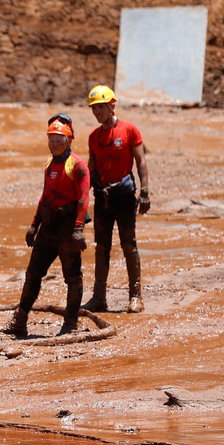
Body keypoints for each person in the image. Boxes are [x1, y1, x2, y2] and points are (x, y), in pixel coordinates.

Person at [4, 116, 89, 337]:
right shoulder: (50, 164)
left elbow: (83, 198)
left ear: (69, 140)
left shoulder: (78, 165)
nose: (54, 144)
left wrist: (78, 229)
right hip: (48, 227)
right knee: (33, 274)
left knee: (72, 277)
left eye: (59, 139)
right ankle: (20, 322)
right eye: (51, 139)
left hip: (68, 228)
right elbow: (45, 197)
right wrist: (34, 225)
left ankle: (70, 325)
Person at [82, 84, 150, 313]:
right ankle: (99, 297)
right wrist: (82, 201)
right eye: (94, 109)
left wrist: (145, 191)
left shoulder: (130, 130)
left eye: (101, 107)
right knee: (101, 247)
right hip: (103, 197)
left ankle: (136, 296)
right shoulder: (94, 137)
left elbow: (141, 162)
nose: (97, 112)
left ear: (112, 106)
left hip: (124, 196)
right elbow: (91, 169)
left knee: (128, 245)